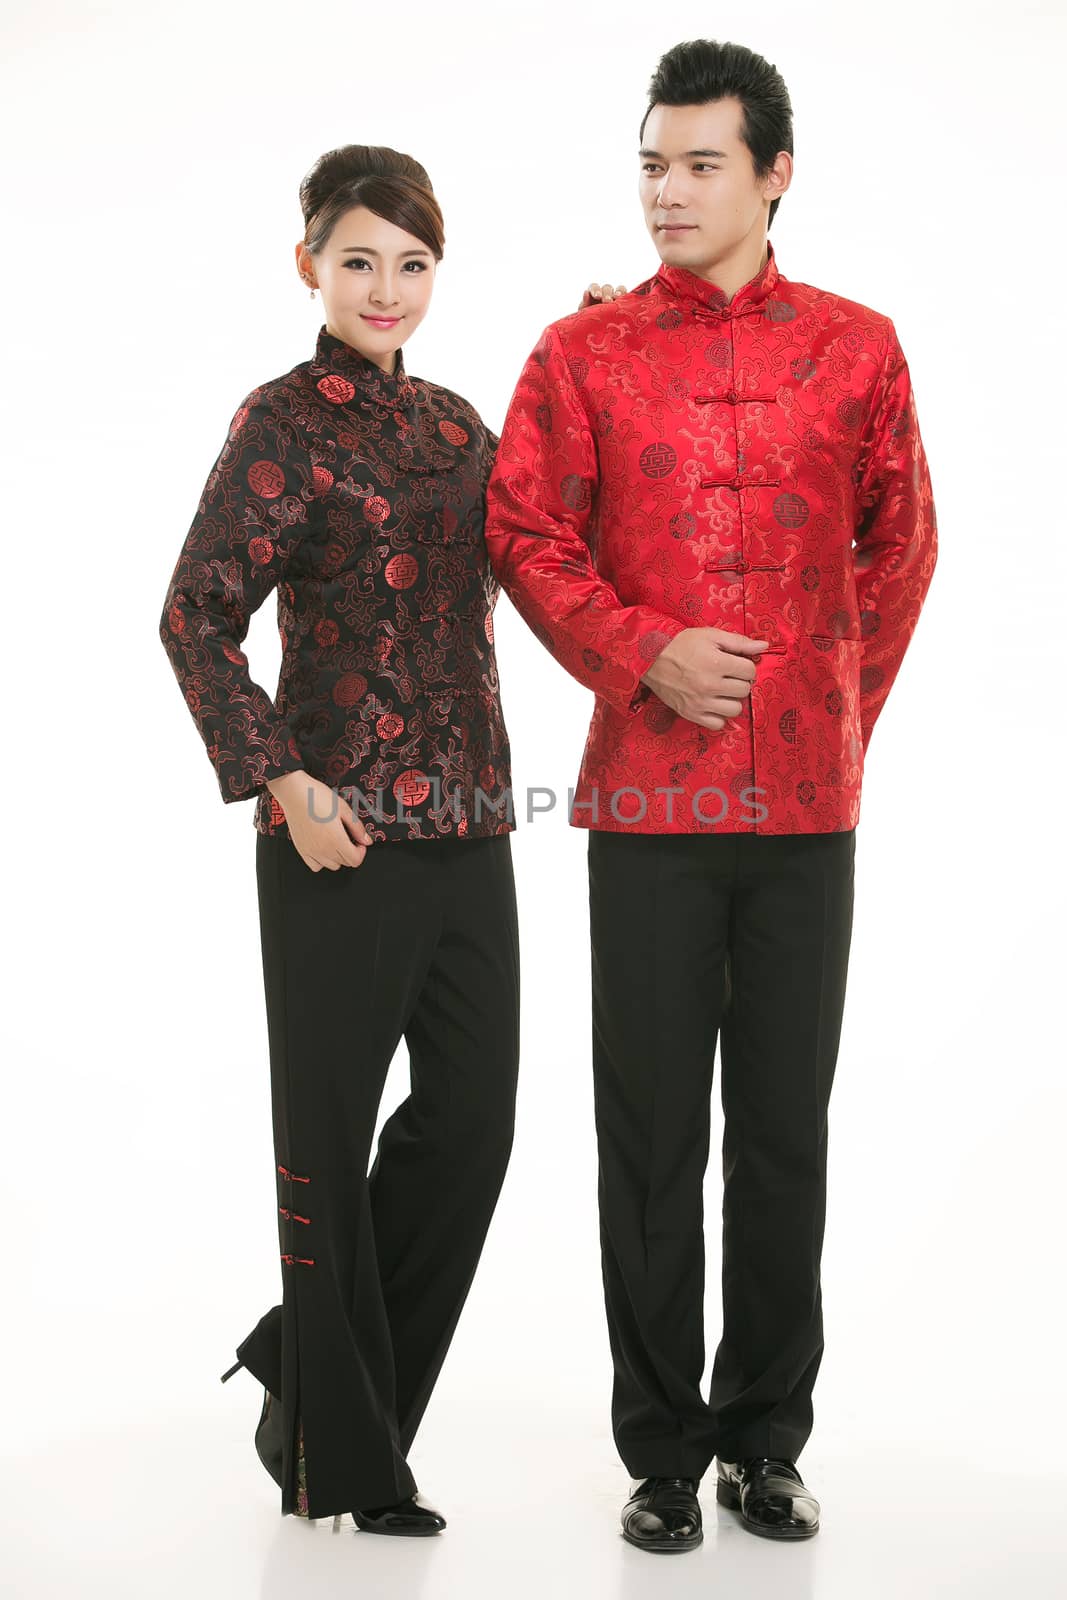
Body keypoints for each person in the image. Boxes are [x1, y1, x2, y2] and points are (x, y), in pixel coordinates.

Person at [484, 39, 937, 1552]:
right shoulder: (581, 355)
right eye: (651, 164)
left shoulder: (862, 349)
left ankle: (767, 1439)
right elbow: (526, 534)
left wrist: (826, 711)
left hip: (810, 816)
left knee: (786, 1134)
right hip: (651, 819)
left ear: (774, 174)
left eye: (699, 165)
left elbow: (904, 544)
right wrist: (642, 653)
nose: (667, 192)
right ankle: (663, 1451)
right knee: (651, 1134)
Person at [158, 144, 529, 1535]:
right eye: (360, 259)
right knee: (323, 1140)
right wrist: (282, 781)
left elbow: (553, 525)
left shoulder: (457, 425)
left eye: (414, 264)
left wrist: (603, 344)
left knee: (472, 1129)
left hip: (473, 828)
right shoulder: (278, 423)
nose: (387, 288)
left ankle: (299, 1367)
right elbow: (194, 614)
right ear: (308, 261)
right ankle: (346, 1462)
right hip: (337, 842)